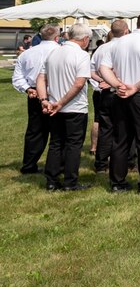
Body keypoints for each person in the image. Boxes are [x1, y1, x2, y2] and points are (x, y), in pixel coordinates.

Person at [98, 12, 140, 194]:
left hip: (121, 95)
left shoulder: (118, 43)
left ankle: (117, 182)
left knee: (121, 139)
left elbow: (103, 67)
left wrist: (117, 84)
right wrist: (135, 87)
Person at [35, 23, 93, 191]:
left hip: (54, 105)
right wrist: (61, 102)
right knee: (73, 145)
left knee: (56, 143)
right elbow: (79, 83)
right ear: (85, 39)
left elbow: (40, 78)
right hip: (73, 107)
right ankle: (70, 181)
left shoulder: (54, 52)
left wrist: (44, 99)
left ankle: (51, 180)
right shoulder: (81, 55)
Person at [11, 24, 61, 174]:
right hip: (56, 93)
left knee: (35, 131)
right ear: (57, 37)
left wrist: (28, 89)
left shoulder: (27, 54)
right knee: (58, 131)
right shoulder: (60, 52)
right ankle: (58, 164)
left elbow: (17, 77)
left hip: (33, 92)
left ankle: (29, 164)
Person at [89, 19, 128, 173]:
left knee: (105, 128)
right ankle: (128, 162)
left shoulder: (101, 49)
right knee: (124, 128)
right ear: (126, 31)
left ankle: (101, 163)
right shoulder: (127, 47)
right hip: (122, 90)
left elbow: (91, 70)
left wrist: (101, 79)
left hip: (104, 92)